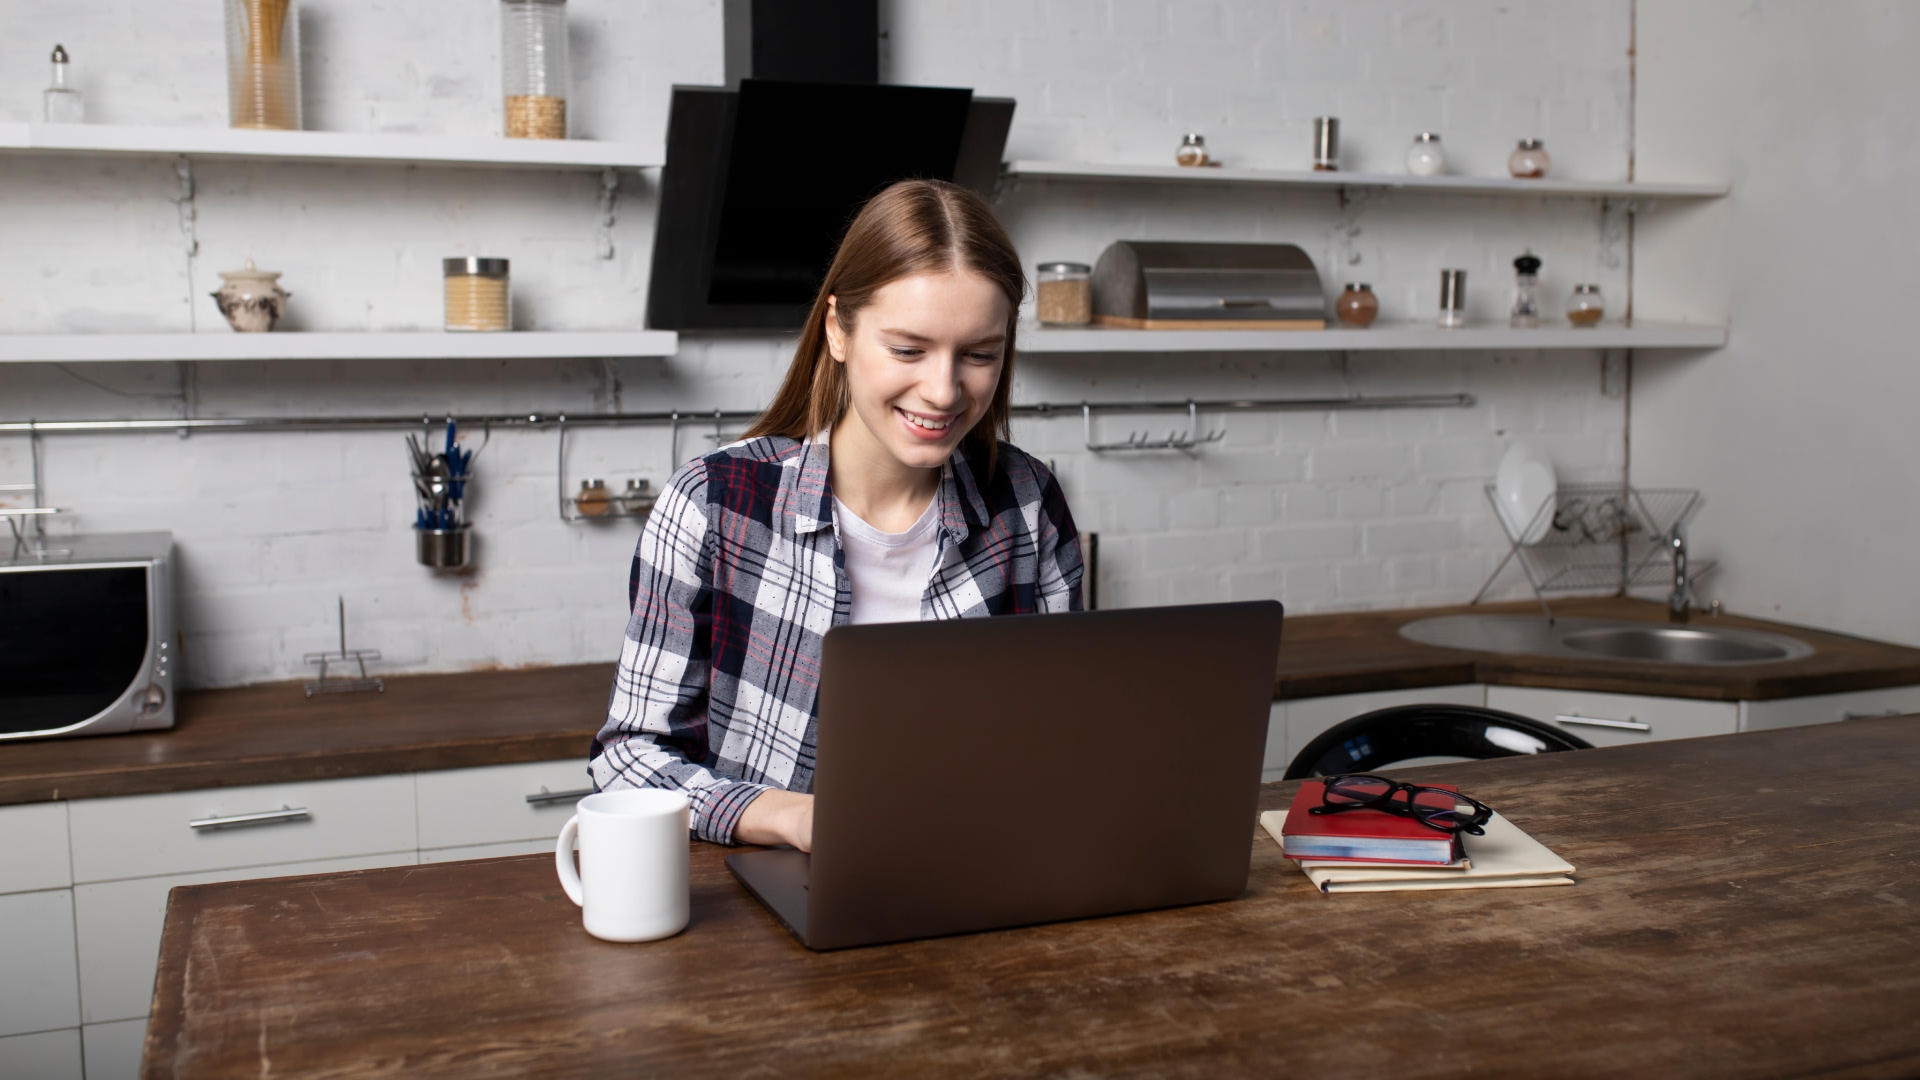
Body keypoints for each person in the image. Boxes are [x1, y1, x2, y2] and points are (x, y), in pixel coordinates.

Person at [590, 179, 1084, 852]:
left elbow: (1064, 741)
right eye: (908, 350)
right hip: (764, 902)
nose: (943, 390)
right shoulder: (712, 503)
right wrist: (792, 818)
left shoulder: (1028, 503)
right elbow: (629, 763)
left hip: (978, 875)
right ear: (838, 331)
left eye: (979, 355)